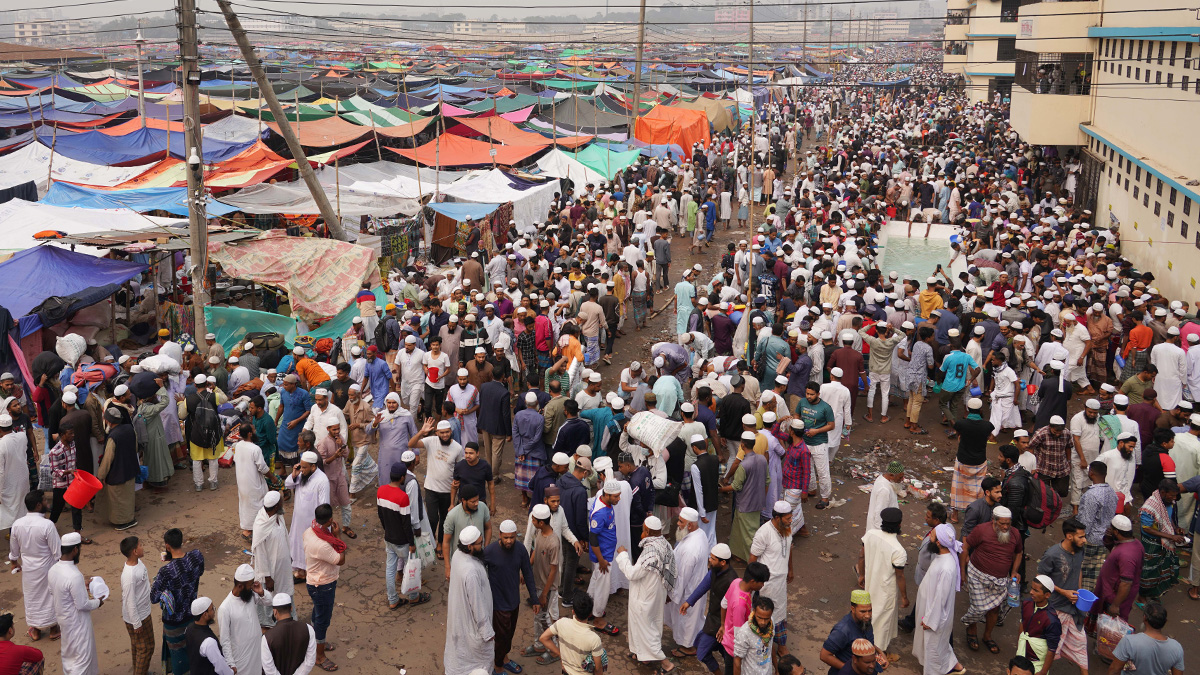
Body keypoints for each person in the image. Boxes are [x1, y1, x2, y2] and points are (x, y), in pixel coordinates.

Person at [614, 515, 677, 671]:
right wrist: (668, 592)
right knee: (649, 624)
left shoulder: (651, 551)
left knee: (646, 628)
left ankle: (666, 664)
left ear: (647, 531)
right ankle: (642, 655)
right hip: (657, 594)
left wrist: (622, 555)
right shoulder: (666, 544)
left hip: (645, 596)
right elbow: (671, 571)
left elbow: (632, 573)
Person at [960, 506, 1022, 654]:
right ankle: (971, 629)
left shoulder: (1015, 534)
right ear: (994, 520)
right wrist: (962, 572)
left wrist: (1014, 571)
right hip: (977, 575)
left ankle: (987, 636)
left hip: (1000, 579)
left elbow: (1019, 553)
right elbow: (965, 547)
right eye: (1002, 523)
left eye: (1008, 523)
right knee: (978, 607)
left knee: (994, 609)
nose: (1006, 527)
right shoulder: (981, 530)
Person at [484, 520, 538, 675]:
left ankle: (505, 658)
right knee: (501, 637)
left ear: (516, 535)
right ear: (500, 535)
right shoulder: (489, 551)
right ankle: (497, 667)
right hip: (498, 603)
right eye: (506, 537)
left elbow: (528, 573)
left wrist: (534, 598)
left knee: (509, 634)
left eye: (512, 537)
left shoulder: (520, 550)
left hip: (514, 601)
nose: (509, 541)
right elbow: (477, 570)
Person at [1034, 519, 1089, 675]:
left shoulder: (1080, 551)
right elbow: (1039, 578)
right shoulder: (1052, 554)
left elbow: (1078, 570)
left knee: (1081, 646)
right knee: (1049, 649)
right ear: (1069, 536)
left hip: (1074, 609)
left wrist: (1079, 591)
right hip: (1056, 609)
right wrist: (1063, 592)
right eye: (1081, 536)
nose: (1084, 540)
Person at [151, 528, 205, 675]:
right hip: (192, 615)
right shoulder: (196, 557)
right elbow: (199, 571)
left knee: (178, 658)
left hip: (174, 622)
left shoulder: (166, 572)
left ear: (167, 546)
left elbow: (154, 597)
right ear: (182, 541)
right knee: (192, 651)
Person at [8, 491, 60, 642]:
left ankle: (36, 631)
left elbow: (14, 550)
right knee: (50, 596)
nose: (47, 503)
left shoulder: (17, 524)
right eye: (45, 501)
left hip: (29, 570)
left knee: (32, 598)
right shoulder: (47, 525)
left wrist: (14, 563)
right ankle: (54, 629)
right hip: (47, 568)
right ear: (38, 505)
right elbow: (57, 552)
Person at [47, 532, 102, 675]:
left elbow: (53, 591)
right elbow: (82, 605)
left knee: (69, 656)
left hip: (64, 621)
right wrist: (98, 602)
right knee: (82, 659)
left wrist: (81, 586)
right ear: (75, 550)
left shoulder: (53, 569)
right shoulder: (74, 575)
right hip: (78, 623)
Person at [857, 507, 907, 660]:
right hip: (886, 591)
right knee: (882, 622)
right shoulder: (898, 550)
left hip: (870, 584)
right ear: (899, 524)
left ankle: (865, 646)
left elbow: (861, 556)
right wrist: (904, 597)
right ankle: (879, 655)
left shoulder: (871, 534)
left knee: (869, 615)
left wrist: (861, 574)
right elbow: (900, 576)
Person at [912, 524, 962, 675]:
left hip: (935, 616)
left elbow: (941, 597)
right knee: (937, 645)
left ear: (939, 542)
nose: (929, 538)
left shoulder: (946, 567)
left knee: (933, 648)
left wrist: (930, 620)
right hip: (929, 609)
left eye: (932, 536)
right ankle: (954, 666)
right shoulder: (942, 558)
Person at [410, 418, 463, 559]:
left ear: (451, 431)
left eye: (447, 432)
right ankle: (430, 542)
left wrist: (458, 487)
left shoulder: (458, 448)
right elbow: (411, 444)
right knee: (432, 518)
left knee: (445, 520)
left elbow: (460, 468)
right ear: (437, 432)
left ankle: (440, 544)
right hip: (431, 488)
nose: (445, 435)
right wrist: (421, 432)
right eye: (442, 432)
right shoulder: (431, 441)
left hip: (448, 491)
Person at [445, 525, 495, 674]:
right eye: (479, 543)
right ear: (469, 546)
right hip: (472, 625)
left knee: (459, 655)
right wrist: (487, 632)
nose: (482, 545)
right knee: (480, 660)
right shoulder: (471, 571)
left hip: (459, 620)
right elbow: (477, 605)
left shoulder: (457, 554)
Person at [748, 501, 795, 657]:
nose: (790, 521)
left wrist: (790, 569)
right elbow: (753, 558)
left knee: (780, 613)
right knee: (764, 614)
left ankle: (781, 646)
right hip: (766, 585)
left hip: (780, 583)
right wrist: (751, 582)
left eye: (791, 517)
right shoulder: (764, 533)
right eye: (787, 518)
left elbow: (789, 549)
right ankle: (762, 645)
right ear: (777, 518)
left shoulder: (787, 529)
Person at [303, 503, 346, 671]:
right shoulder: (322, 544)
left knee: (317, 614)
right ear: (330, 520)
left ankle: (316, 642)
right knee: (322, 621)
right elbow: (340, 560)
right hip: (322, 585)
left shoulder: (309, 531)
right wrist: (338, 537)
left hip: (315, 582)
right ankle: (319, 657)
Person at [377, 462, 426, 610]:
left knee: (390, 569)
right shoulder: (403, 497)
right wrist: (411, 543)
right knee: (410, 569)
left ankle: (393, 599)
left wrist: (387, 530)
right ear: (402, 477)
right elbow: (406, 523)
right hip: (403, 540)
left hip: (389, 537)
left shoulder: (381, 491)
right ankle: (413, 596)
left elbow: (381, 515)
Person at [665, 508, 709, 658]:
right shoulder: (700, 534)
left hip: (688, 590)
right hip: (696, 585)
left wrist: (672, 595)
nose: (678, 524)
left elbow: (683, 576)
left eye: (681, 522)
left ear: (690, 525)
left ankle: (688, 647)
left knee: (687, 619)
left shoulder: (691, 548)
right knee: (693, 618)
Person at [216, 564, 274, 675]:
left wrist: (261, 592)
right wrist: (230, 663)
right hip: (241, 659)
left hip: (256, 653)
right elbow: (225, 640)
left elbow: (269, 601)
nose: (253, 586)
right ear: (240, 586)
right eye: (250, 584)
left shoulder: (250, 596)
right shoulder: (225, 608)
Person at [524, 503, 562, 666]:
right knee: (537, 616)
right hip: (538, 583)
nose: (531, 521)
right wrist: (527, 569)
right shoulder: (539, 533)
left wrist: (544, 594)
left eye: (533, 519)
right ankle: (539, 646)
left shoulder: (553, 542)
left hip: (547, 587)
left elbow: (553, 571)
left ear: (541, 522)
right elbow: (535, 551)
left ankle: (554, 650)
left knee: (544, 618)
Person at [285, 451, 330, 581]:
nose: (302, 469)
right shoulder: (301, 475)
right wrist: (294, 474)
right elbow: (288, 484)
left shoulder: (322, 480)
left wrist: (321, 527)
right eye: (301, 466)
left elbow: (324, 505)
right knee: (299, 547)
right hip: (298, 522)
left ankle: (311, 574)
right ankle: (301, 572)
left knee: (312, 550)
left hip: (312, 525)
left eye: (304, 467)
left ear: (313, 467)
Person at [538, 592, 606, 675]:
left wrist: (560, 654)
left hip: (566, 671)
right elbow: (598, 668)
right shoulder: (594, 639)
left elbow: (543, 638)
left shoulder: (561, 623)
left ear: (573, 611)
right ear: (590, 614)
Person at [252, 491, 293, 627]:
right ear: (275, 506)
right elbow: (260, 554)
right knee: (270, 599)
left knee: (285, 593)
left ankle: (287, 619)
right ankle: (270, 624)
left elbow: (284, 536)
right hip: (270, 571)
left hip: (283, 566)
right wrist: (268, 577)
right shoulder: (261, 525)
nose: (283, 503)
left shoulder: (278, 515)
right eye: (281, 502)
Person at [1107, 602, 1183, 675]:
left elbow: (1114, 670)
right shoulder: (1176, 647)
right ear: (1165, 622)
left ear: (1144, 618)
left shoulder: (1129, 641)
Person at [1138, 478, 1183, 600]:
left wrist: (1175, 528)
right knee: (1148, 571)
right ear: (1163, 492)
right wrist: (1171, 536)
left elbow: (1168, 518)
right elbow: (1147, 528)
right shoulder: (1150, 506)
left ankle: (1154, 594)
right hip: (1152, 543)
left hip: (1164, 542)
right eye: (1172, 495)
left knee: (1161, 569)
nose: (1174, 498)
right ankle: (1142, 597)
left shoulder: (1168, 502)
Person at [96, 406, 140, 530]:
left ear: (109, 421)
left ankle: (123, 522)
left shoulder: (113, 436)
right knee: (128, 497)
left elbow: (108, 459)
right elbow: (136, 447)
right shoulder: (129, 429)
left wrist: (101, 475)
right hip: (130, 468)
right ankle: (130, 517)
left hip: (117, 472)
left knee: (118, 500)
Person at [1076, 461, 1118, 591]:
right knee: (1097, 574)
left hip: (1091, 540)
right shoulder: (1112, 492)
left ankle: (1084, 598)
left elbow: (1086, 522)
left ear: (1091, 473)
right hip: (1105, 539)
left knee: (1084, 574)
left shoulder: (1091, 495)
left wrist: (1079, 538)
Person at [821, 591, 885, 675]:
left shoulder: (865, 621)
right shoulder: (842, 631)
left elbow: (866, 642)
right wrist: (850, 670)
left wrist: (881, 653)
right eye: (863, 611)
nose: (868, 615)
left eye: (870, 611)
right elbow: (824, 655)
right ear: (853, 609)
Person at [950, 398, 992, 521]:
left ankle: (955, 515)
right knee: (978, 489)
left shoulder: (960, 424)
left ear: (968, 409)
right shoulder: (988, 426)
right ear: (980, 410)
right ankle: (976, 514)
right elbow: (988, 437)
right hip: (979, 461)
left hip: (963, 459)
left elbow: (958, 435)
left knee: (958, 487)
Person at [119, 536, 154, 675]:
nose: (142, 547)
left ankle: (140, 671)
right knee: (146, 648)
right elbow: (130, 601)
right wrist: (136, 623)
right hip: (139, 617)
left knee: (138, 647)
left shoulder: (138, 562)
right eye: (140, 545)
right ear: (134, 551)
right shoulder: (129, 576)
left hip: (143, 613)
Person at [260, 593, 317, 675]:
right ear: (291, 608)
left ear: (275, 611)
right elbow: (310, 661)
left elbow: (269, 668)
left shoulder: (267, 637)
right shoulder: (308, 629)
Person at [1016, 576, 1062, 675]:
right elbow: (1022, 624)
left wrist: (1043, 672)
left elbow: (1052, 649)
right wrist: (1019, 647)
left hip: (1037, 661)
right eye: (1031, 588)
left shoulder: (1052, 620)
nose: (1031, 592)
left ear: (1047, 595)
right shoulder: (1026, 603)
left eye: (1036, 590)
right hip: (1022, 654)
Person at [233, 423, 272, 538]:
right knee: (257, 505)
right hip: (253, 483)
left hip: (242, 482)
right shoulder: (255, 449)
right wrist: (273, 478)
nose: (255, 432)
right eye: (254, 430)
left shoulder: (238, 445)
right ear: (250, 433)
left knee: (246, 505)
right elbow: (263, 468)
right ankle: (251, 531)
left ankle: (248, 529)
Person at [185, 598, 234, 675]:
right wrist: (231, 672)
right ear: (205, 614)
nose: (214, 611)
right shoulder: (209, 642)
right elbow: (220, 667)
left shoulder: (189, 628)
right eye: (212, 609)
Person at [732, 596, 776, 675]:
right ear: (754, 611)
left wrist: (776, 668)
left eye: (766, 619)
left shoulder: (771, 624)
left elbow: (771, 646)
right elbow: (737, 661)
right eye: (759, 618)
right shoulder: (744, 632)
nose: (763, 622)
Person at [866, 461, 903, 532]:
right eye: (900, 477)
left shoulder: (882, 478)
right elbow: (879, 515)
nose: (902, 479)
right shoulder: (884, 490)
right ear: (891, 475)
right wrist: (882, 534)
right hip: (879, 530)